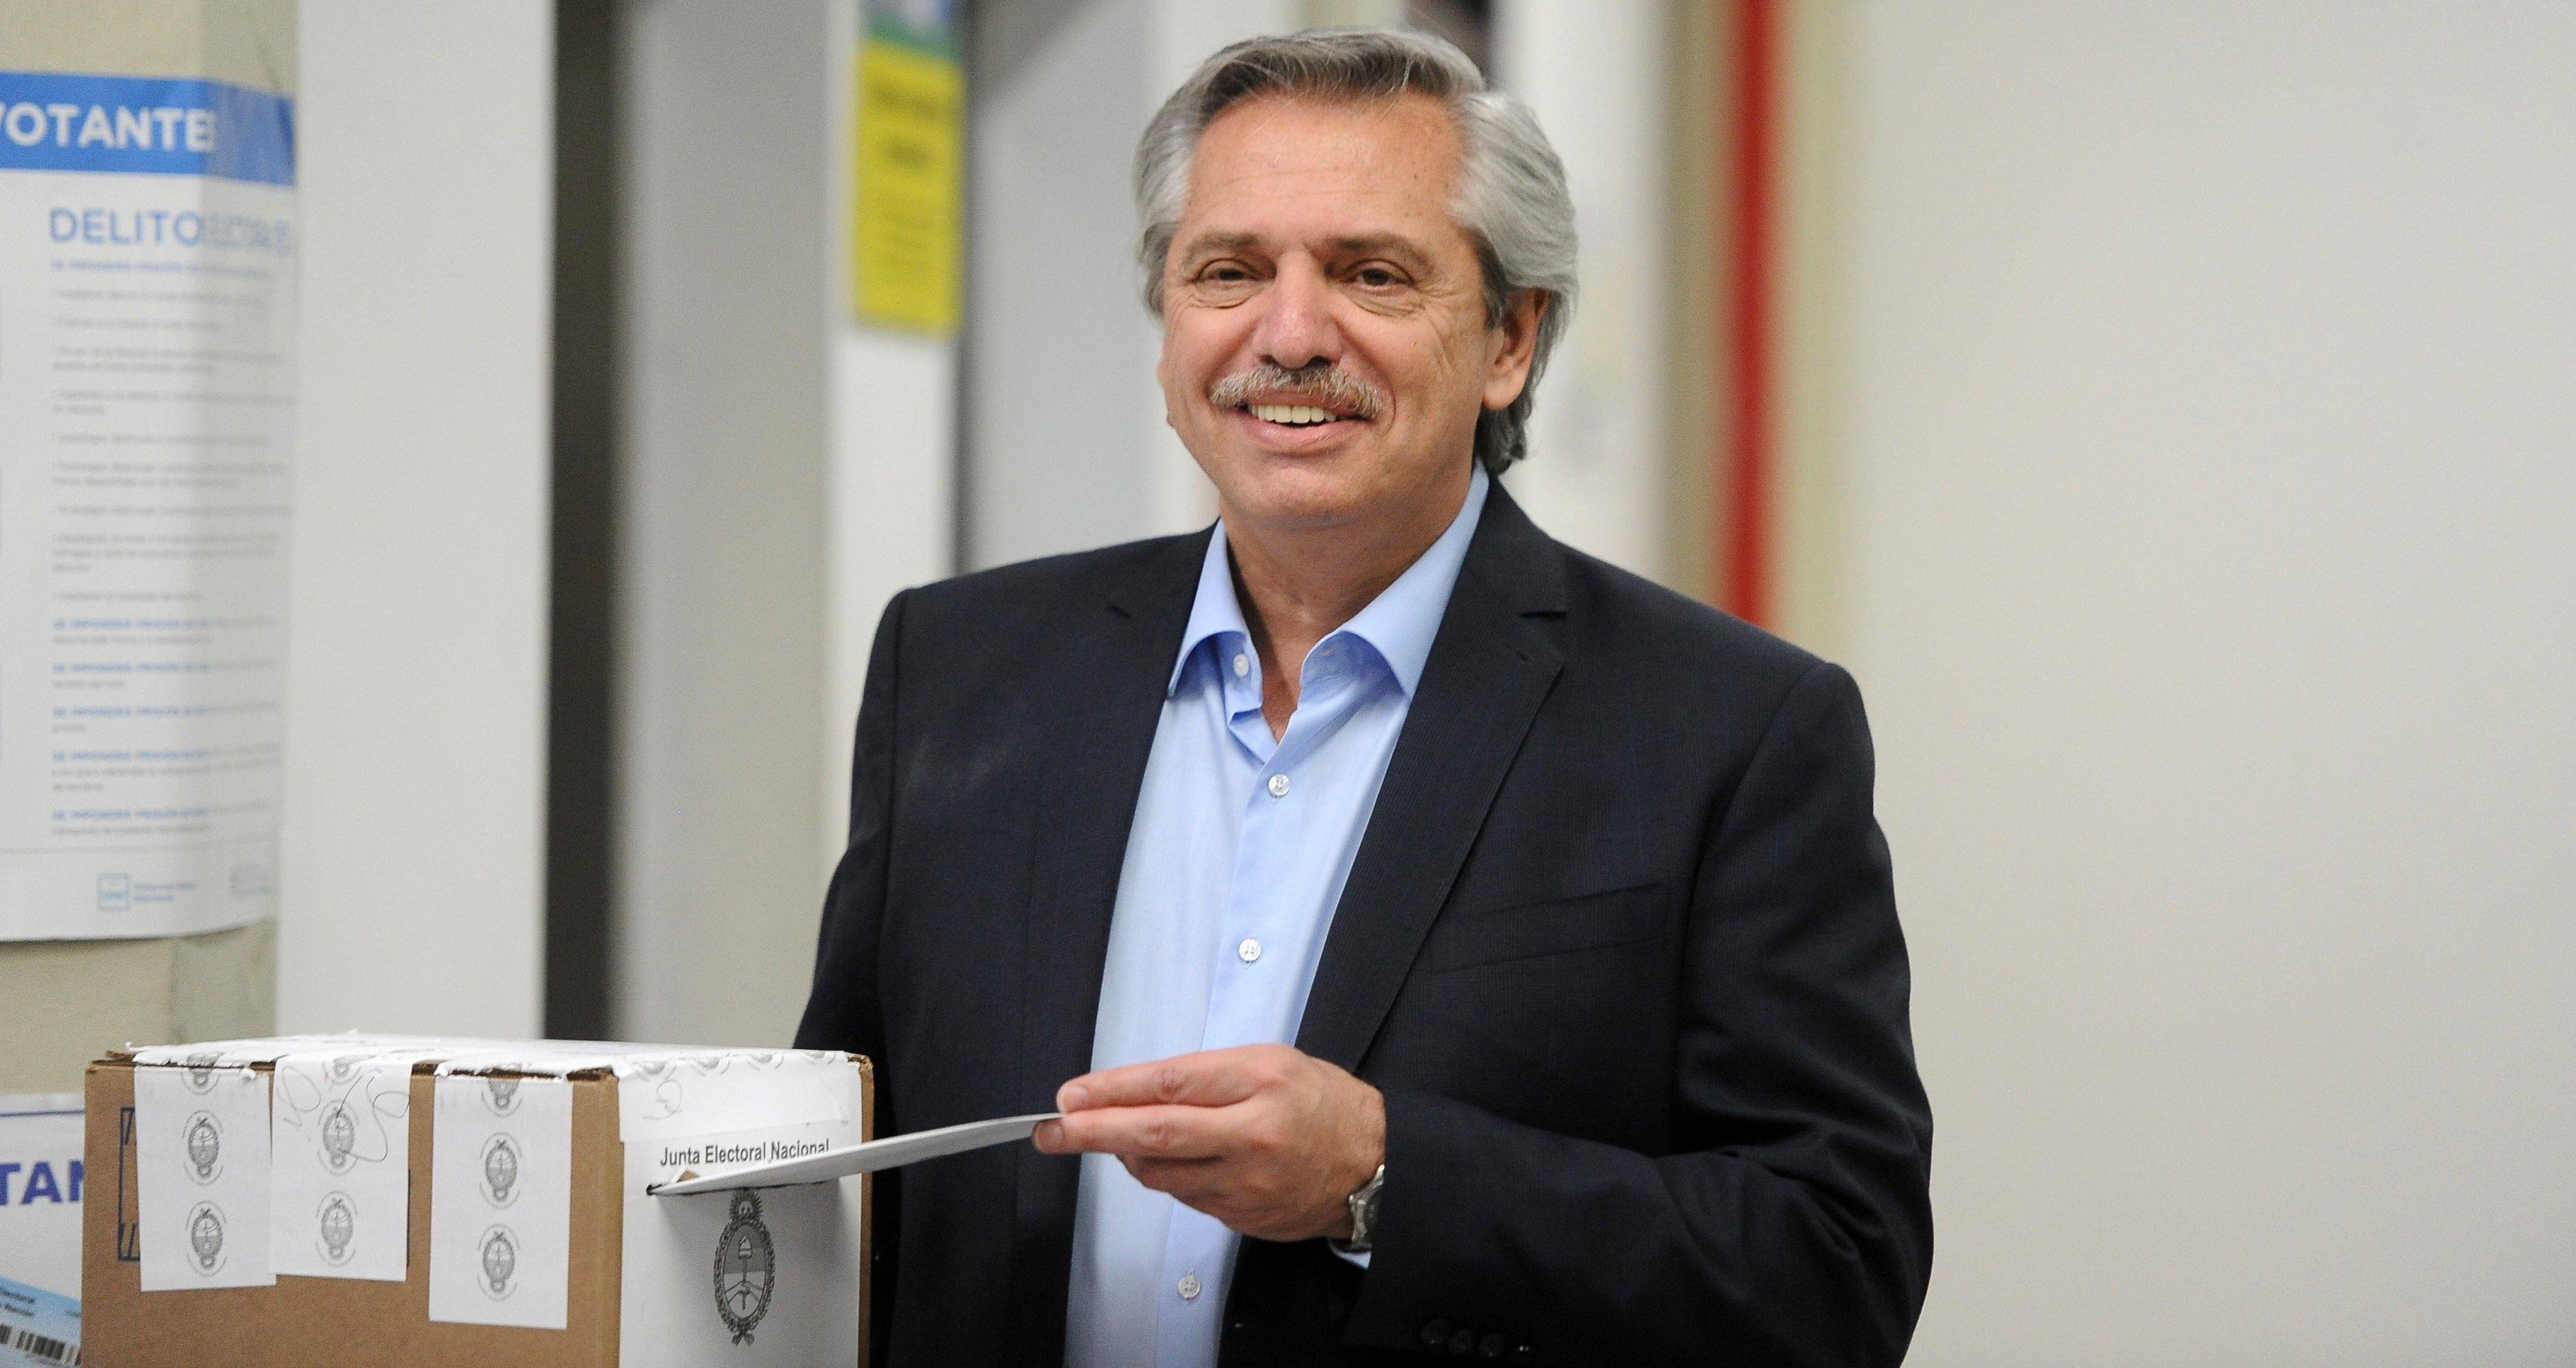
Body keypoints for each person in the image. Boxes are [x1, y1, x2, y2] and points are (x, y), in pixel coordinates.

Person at [795, 27, 1931, 1367]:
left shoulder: (1728, 734)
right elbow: (841, 1157)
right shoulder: (962, 669)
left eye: (1370, 274)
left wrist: (1382, 1178)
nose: (1287, 333)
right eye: (1228, 270)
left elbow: (1832, 1266)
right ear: (1167, 328)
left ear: (1510, 338)